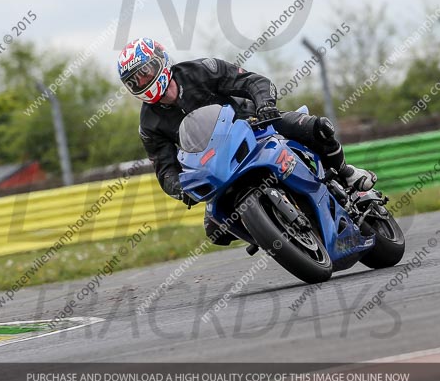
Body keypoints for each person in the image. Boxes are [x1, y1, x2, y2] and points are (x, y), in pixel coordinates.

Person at [117, 37, 376, 245]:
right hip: (214, 162)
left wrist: (265, 106)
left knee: (316, 127)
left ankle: (346, 174)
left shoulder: (201, 70)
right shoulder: (149, 125)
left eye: (144, 72)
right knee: (216, 230)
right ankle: (272, 234)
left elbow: (252, 81)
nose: (142, 81)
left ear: (160, 60)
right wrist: (180, 188)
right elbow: (164, 168)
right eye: (134, 81)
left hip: (252, 126)